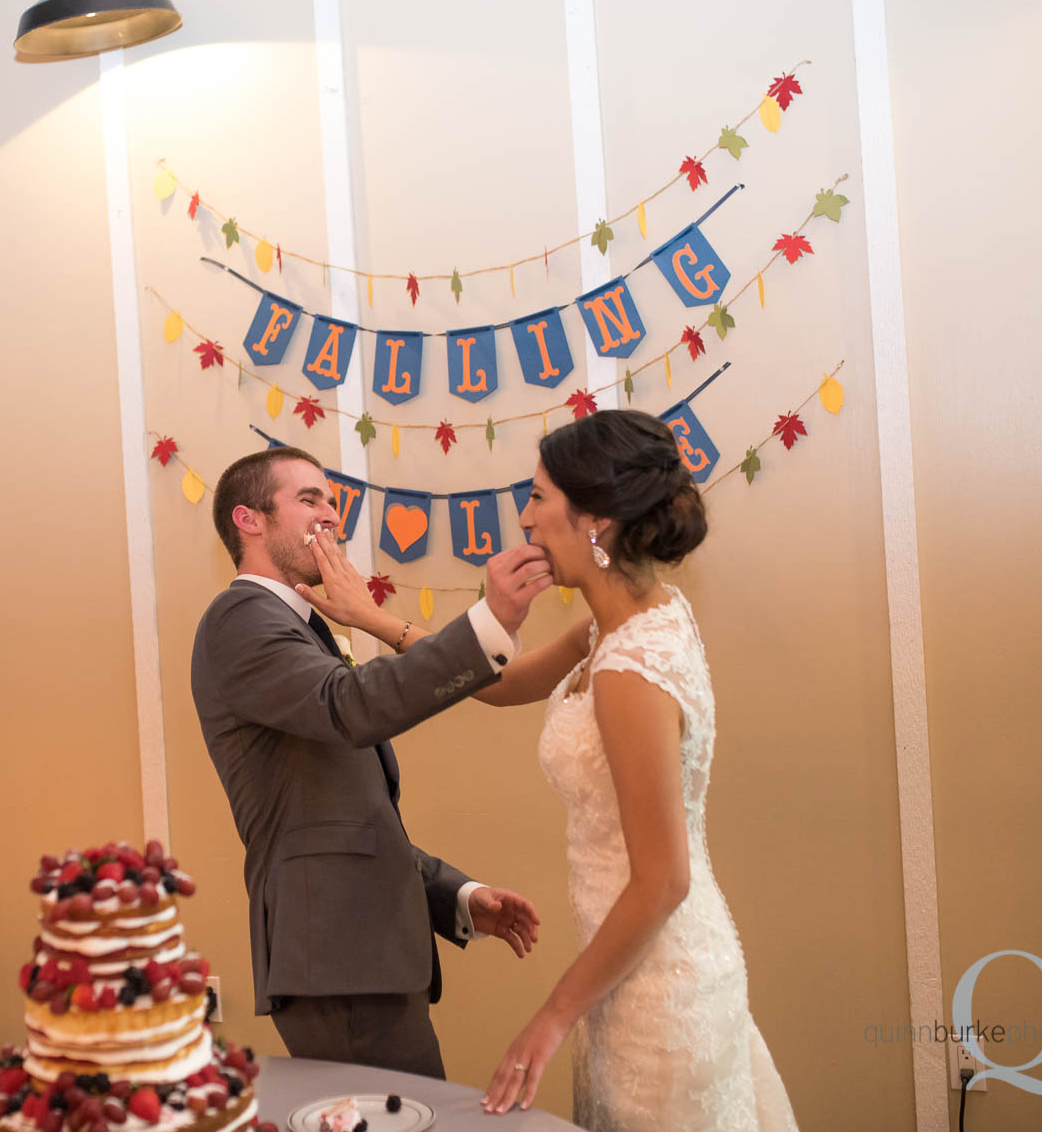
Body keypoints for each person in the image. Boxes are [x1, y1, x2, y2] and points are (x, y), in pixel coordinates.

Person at [302, 412, 799, 1130]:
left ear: (595, 518)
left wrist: (550, 1018)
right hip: (625, 972)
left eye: (538, 498)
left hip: (661, 984)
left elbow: (663, 879)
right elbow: (504, 682)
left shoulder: (632, 666)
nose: (525, 518)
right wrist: (373, 617)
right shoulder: (623, 620)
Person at [190, 446, 547, 1078]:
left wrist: (456, 896)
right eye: (309, 499)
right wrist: (486, 625)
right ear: (250, 520)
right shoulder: (242, 615)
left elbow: (343, 824)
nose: (331, 515)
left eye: (332, 500)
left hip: (360, 955)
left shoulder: (304, 629)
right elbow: (351, 706)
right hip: (338, 957)